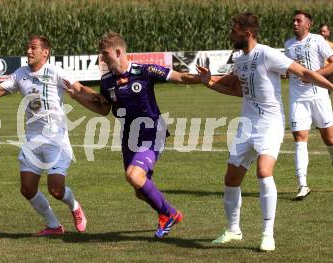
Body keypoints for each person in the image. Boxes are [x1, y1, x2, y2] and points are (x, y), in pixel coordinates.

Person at [196, 12, 333, 251]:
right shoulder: (239, 60)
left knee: (263, 172)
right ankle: (232, 230)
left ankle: (267, 234)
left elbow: (303, 72)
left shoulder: (268, 54)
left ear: (247, 34)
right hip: (247, 125)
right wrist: (209, 82)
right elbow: (238, 90)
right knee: (231, 179)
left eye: (234, 30)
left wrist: (331, 86)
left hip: (270, 124)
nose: (231, 34)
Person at [67, 32, 202, 239]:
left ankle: (170, 214)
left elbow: (180, 77)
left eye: (105, 53)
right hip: (129, 138)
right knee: (139, 190)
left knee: (133, 175)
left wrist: (202, 79)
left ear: (118, 52)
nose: (102, 58)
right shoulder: (106, 82)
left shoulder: (145, 71)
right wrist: (77, 98)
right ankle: (166, 213)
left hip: (152, 132)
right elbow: (103, 110)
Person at [0, 35, 87, 236]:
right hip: (32, 140)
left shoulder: (55, 72)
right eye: (28, 48)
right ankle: (54, 226)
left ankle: (75, 206)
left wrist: (99, 99)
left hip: (55, 140)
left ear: (45, 52)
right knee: (27, 189)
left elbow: (79, 89)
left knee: (56, 190)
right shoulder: (20, 74)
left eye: (33, 48)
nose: (29, 51)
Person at [284, 10, 333, 200]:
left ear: (308, 25)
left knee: (329, 139)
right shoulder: (288, 45)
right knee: (300, 138)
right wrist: (286, 72)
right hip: (298, 99)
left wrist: (314, 75)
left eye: (299, 21)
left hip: (319, 96)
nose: (295, 23)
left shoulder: (318, 40)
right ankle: (302, 184)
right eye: (293, 20)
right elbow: (288, 70)